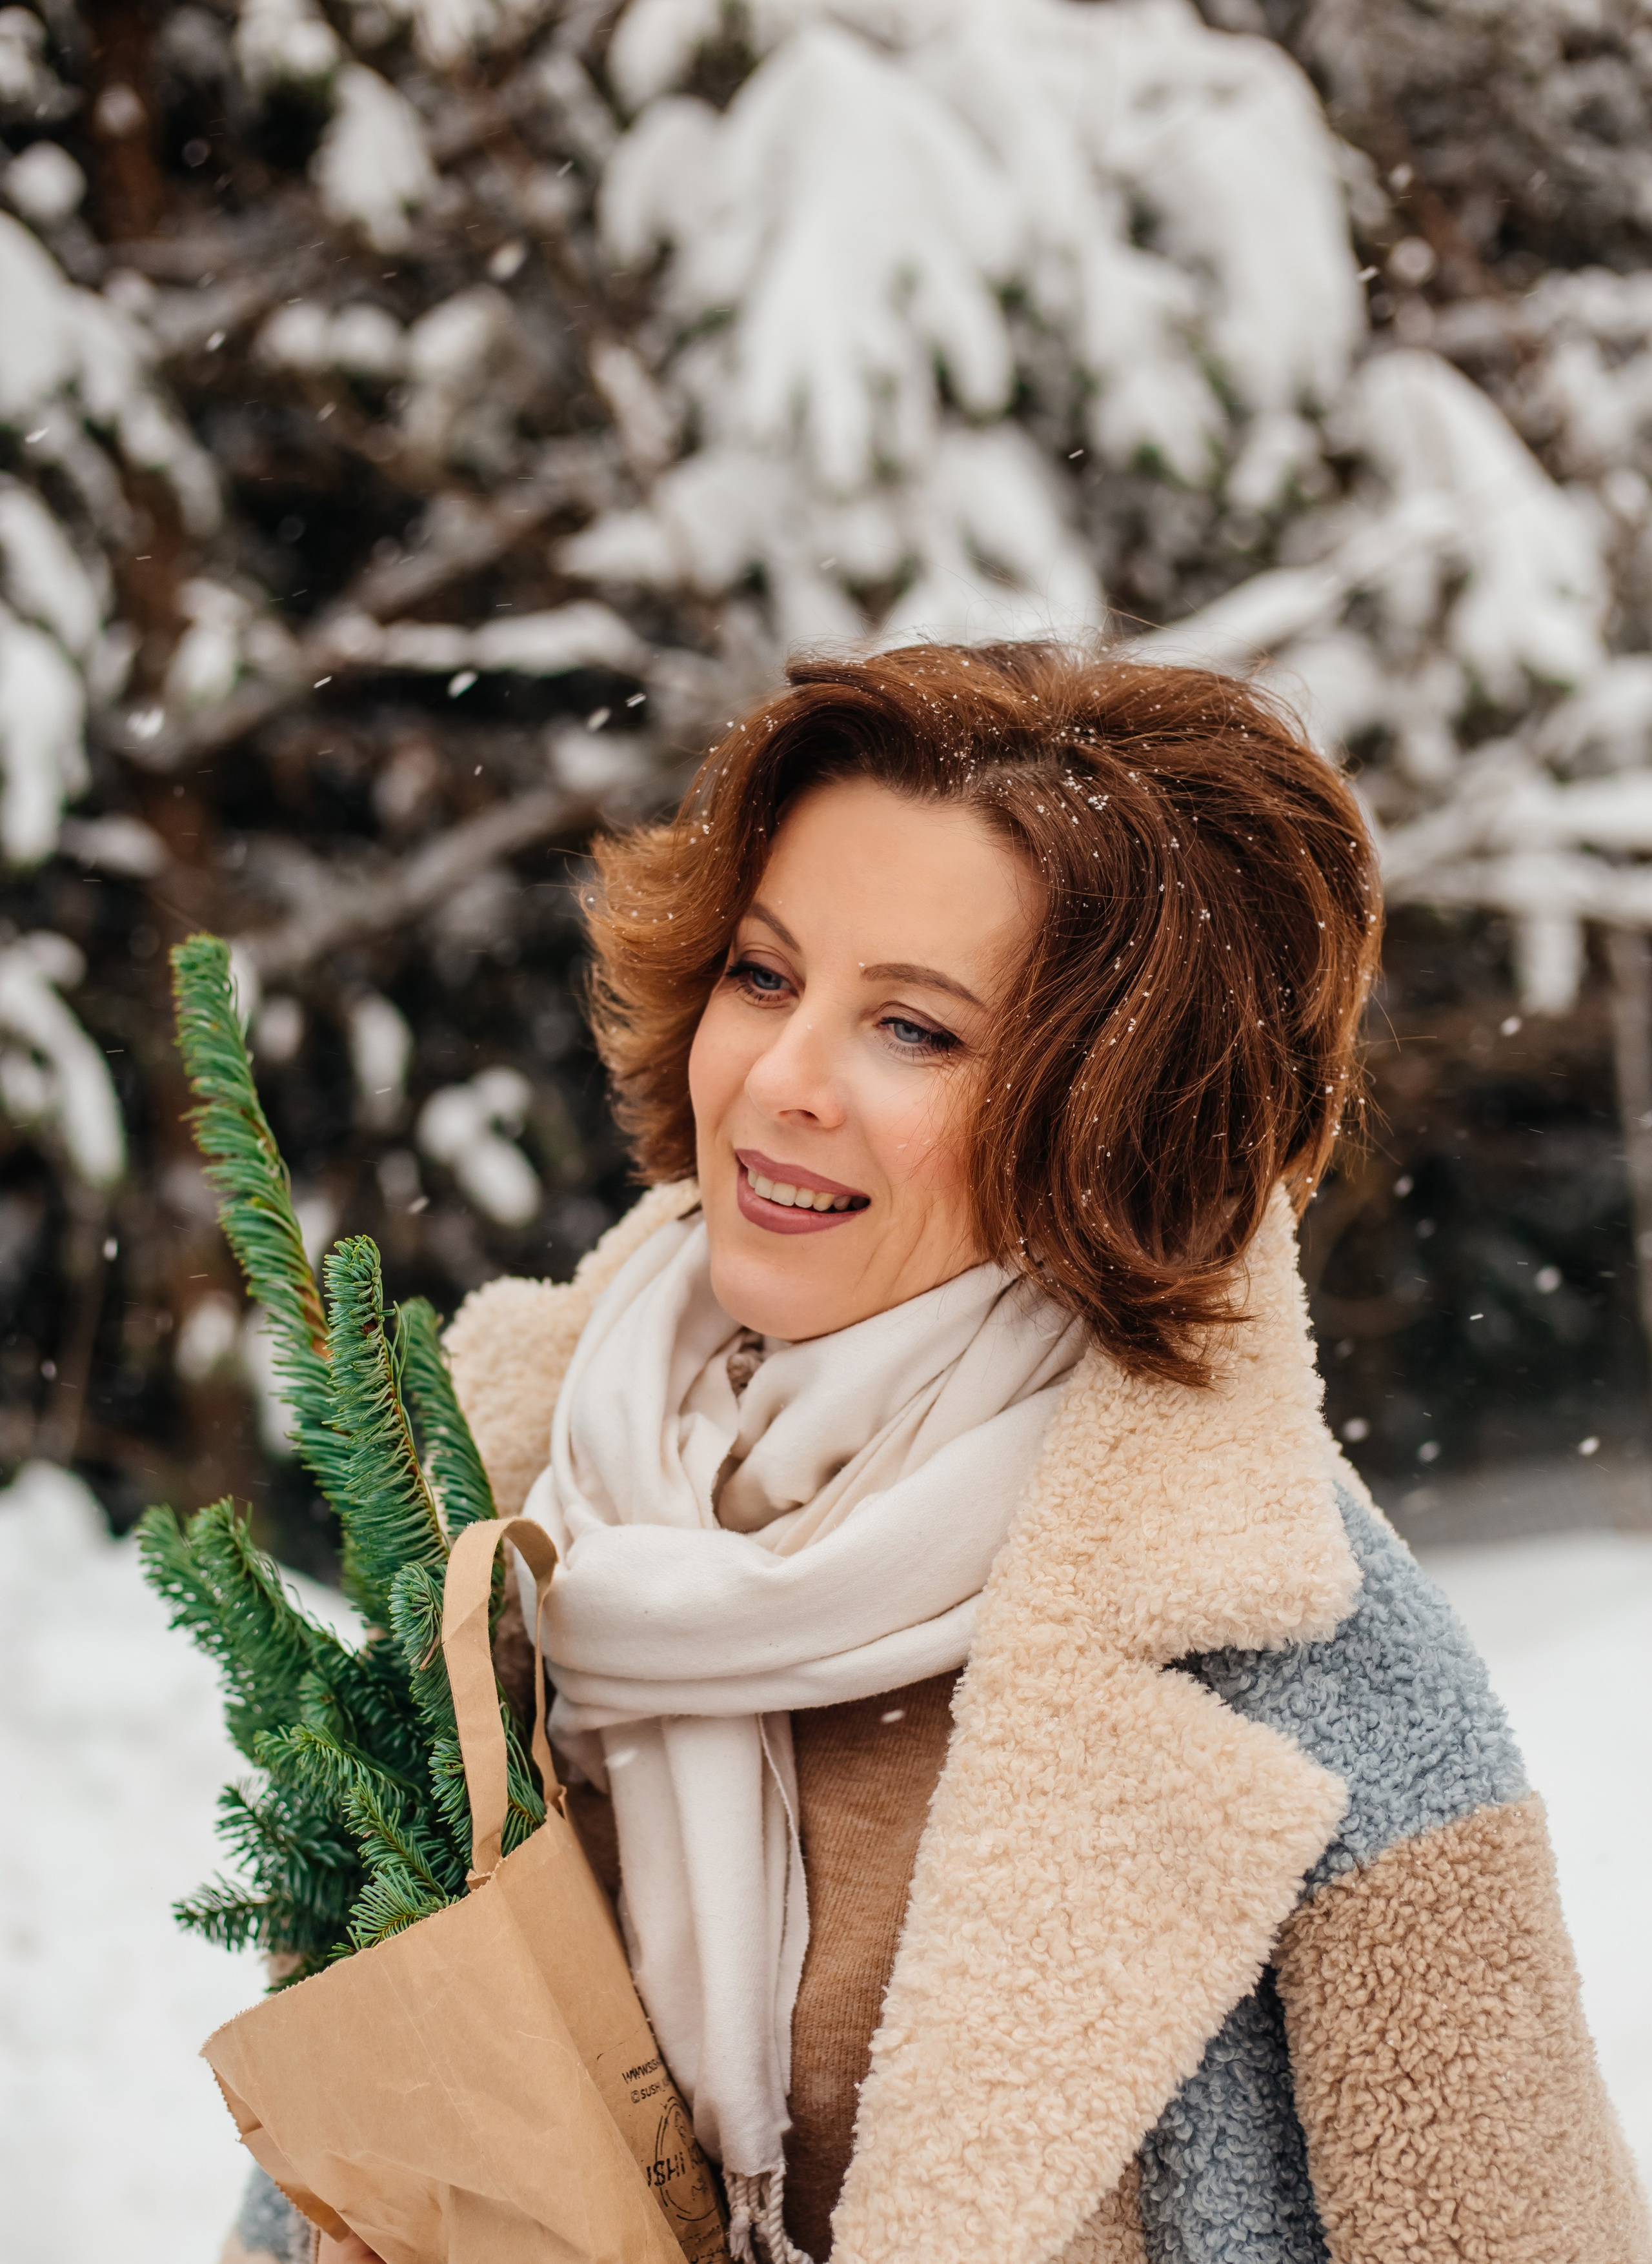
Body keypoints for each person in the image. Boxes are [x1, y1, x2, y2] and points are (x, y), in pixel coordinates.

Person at [260, 638, 1643, 2264]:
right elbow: (343, 2182)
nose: (779, 1081)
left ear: (1106, 1111)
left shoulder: (1302, 1656)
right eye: (762, 976)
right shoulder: (510, 1531)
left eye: (911, 1029)